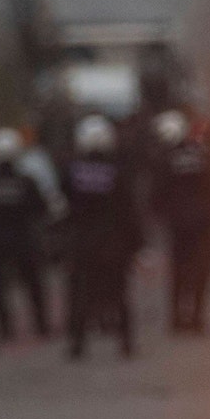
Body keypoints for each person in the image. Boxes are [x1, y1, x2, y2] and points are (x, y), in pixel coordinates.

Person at [60, 115, 141, 359]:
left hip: (82, 241)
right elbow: (128, 209)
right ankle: (125, 342)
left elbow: (64, 207)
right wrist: (136, 243)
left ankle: (77, 344)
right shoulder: (119, 170)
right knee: (119, 293)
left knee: (80, 294)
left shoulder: (72, 171)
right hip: (113, 241)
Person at [0, 128, 50, 340]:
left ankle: (4, 328)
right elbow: (41, 210)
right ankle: (41, 324)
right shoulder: (26, 182)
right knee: (33, 283)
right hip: (23, 239)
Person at [150, 109, 210, 334]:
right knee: (201, 271)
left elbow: (158, 191)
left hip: (178, 222)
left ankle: (176, 318)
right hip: (203, 221)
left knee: (178, 270)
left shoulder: (166, 157)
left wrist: (159, 215)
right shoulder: (202, 153)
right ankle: (197, 317)